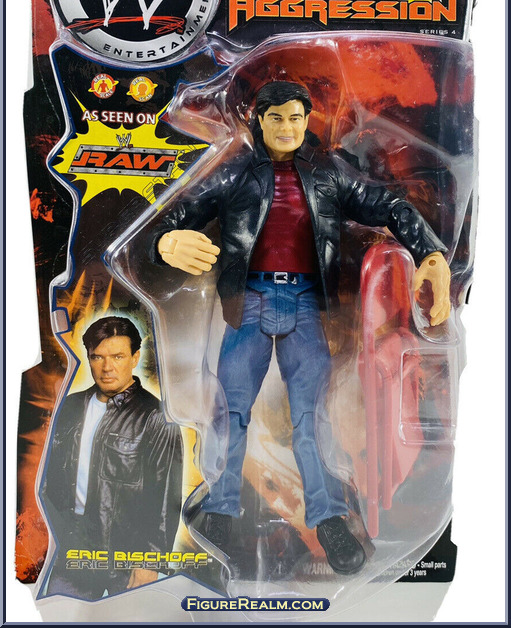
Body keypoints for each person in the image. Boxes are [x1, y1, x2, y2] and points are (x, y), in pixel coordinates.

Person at [154, 81, 451, 575]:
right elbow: (176, 213)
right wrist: (167, 243)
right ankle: (221, 509)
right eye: (277, 118)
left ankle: (329, 518)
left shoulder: (328, 173)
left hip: (306, 304)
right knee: (231, 410)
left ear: (307, 119)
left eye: (296, 118)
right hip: (247, 303)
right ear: (259, 121)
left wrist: (431, 253)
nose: (288, 128)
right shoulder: (235, 173)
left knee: (311, 420)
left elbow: (390, 206)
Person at [42, 316, 183, 599]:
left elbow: (166, 496)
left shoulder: (156, 416)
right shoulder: (69, 407)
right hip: (72, 548)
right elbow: (47, 479)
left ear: (134, 358)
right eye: (98, 357)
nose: (107, 367)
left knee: (128, 618)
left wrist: (149, 562)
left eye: (118, 356)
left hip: (127, 554)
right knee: (60, 615)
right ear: (88, 358)